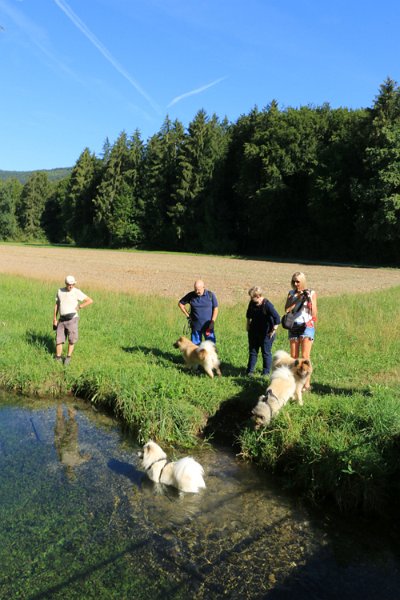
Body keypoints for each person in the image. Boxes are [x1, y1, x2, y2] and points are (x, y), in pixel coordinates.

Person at [284, 271, 317, 391]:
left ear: (302, 281)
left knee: (305, 356)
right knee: (293, 357)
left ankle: (306, 384)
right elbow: (287, 309)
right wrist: (297, 298)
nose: (295, 283)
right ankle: (294, 382)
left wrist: (309, 301)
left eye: (298, 281)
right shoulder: (291, 293)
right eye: (293, 281)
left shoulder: (311, 293)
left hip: (307, 326)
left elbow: (314, 314)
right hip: (294, 326)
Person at [53, 275, 93, 365]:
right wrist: (54, 319)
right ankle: (58, 358)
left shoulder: (77, 292)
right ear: (65, 283)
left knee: (72, 339)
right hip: (61, 319)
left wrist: (80, 306)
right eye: (69, 284)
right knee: (59, 339)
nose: (70, 286)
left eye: (72, 284)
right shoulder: (60, 291)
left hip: (72, 319)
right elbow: (57, 305)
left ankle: (68, 358)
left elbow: (90, 300)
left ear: (74, 284)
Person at [246, 286, 280, 377]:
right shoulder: (252, 303)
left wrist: (273, 330)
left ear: (258, 296)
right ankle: (250, 371)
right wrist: (248, 325)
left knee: (266, 353)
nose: (251, 298)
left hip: (266, 333)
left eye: (252, 297)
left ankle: (266, 373)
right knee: (253, 351)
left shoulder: (267, 305)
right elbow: (248, 315)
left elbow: (277, 318)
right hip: (254, 331)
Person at [178, 280, 218, 345]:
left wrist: (213, 321)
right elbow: (180, 304)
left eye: (198, 290)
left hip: (208, 327)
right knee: (195, 348)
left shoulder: (210, 295)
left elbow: (215, 309)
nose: (196, 291)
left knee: (211, 347)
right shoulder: (191, 295)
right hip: (195, 326)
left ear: (203, 287)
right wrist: (188, 315)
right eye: (195, 289)